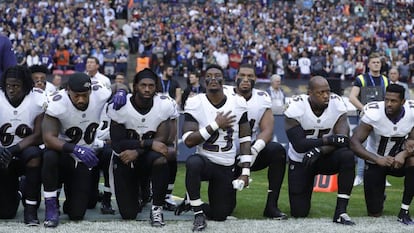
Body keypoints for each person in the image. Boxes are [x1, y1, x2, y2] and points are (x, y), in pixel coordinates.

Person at [175, 65, 251, 231]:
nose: (213, 79)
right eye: (209, 76)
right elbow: (188, 140)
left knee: (221, 214)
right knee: (193, 162)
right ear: (204, 80)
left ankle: (192, 202)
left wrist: (245, 172)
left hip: (226, 166)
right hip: (206, 162)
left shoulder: (238, 102)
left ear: (224, 80)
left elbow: (245, 139)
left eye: (217, 75)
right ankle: (198, 213)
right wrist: (216, 124)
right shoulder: (196, 102)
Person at [107, 68, 177, 227]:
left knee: (161, 159)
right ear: (135, 86)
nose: (147, 89)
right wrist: (148, 143)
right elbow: (118, 144)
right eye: (143, 85)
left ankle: (157, 209)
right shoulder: (121, 106)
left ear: (156, 86)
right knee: (128, 214)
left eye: (151, 86)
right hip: (124, 158)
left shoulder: (164, 105)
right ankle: (142, 191)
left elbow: (162, 140)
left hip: (145, 157)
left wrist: (138, 150)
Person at [41, 73, 112, 227]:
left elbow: (118, 97)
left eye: (84, 95)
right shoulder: (57, 102)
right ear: (68, 91)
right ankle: (51, 207)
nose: (81, 99)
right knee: (49, 156)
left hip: (84, 158)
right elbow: (48, 138)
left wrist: (121, 93)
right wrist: (75, 149)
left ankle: (71, 196)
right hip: (64, 155)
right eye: (76, 95)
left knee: (77, 213)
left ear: (91, 91)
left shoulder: (101, 93)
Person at [284, 76, 355, 225]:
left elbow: (343, 139)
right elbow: (299, 144)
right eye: (320, 92)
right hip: (301, 159)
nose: (325, 96)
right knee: (299, 213)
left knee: (347, 156)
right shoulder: (296, 106)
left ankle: (341, 211)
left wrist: (320, 150)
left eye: (327, 92)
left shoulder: (336, 103)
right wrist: (328, 140)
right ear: (310, 93)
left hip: (325, 156)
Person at [350, 84, 414, 225]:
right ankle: (379, 194)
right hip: (375, 162)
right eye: (386, 100)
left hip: (398, 161)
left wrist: (404, 154)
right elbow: (354, 142)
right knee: (374, 212)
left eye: (393, 101)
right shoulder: (374, 113)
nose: (388, 104)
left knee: (413, 160)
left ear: (403, 102)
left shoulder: (411, 112)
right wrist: (377, 159)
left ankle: (404, 210)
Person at [231, 64, 287, 219]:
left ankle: (271, 206)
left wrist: (254, 151)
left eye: (250, 76)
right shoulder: (225, 94)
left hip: (251, 151)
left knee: (277, 151)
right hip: (227, 155)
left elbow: (268, 129)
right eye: (242, 75)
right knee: (224, 209)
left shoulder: (262, 97)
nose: (246, 79)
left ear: (255, 79)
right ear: (236, 77)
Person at [0, 65, 47, 225]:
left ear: (25, 85)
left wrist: (13, 149)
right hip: (3, 154)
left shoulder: (37, 98)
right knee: (6, 213)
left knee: (35, 155)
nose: (11, 90)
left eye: (15, 86)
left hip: (25, 152)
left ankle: (30, 209)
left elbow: (38, 136)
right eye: (8, 85)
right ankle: (18, 192)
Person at [348, 52, 390, 187]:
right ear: (369, 64)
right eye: (374, 62)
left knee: (382, 147)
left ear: (381, 64)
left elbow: (389, 97)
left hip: (381, 118)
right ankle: (360, 175)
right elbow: (352, 97)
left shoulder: (385, 79)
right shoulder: (361, 79)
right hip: (366, 118)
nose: (376, 64)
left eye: (378, 62)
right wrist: (364, 108)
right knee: (362, 146)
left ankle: (383, 176)